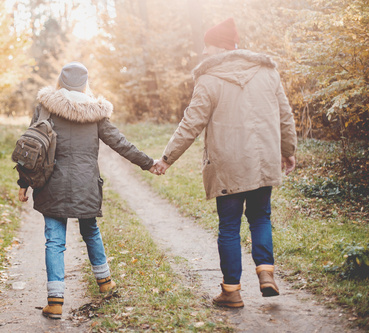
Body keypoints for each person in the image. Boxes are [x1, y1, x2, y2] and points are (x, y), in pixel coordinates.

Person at [154, 17, 297, 308]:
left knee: (229, 226)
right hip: (262, 160)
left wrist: (167, 159)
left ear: (218, 48)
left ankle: (231, 291)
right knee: (260, 217)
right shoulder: (267, 72)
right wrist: (287, 149)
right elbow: (285, 115)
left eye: (207, 47)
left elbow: (190, 125)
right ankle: (266, 273)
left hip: (227, 165)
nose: (204, 53)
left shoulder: (208, 80)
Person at [17, 62, 157, 319]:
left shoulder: (45, 109)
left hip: (51, 184)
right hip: (86, 184)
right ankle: (105, 283)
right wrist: (148, 163)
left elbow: (31, 148)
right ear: (85, 84)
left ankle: (55, 301)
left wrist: (23, 184)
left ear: (60, 81)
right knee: (90, 230)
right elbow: (120, 143)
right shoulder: (96, 113)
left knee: (54, 240)